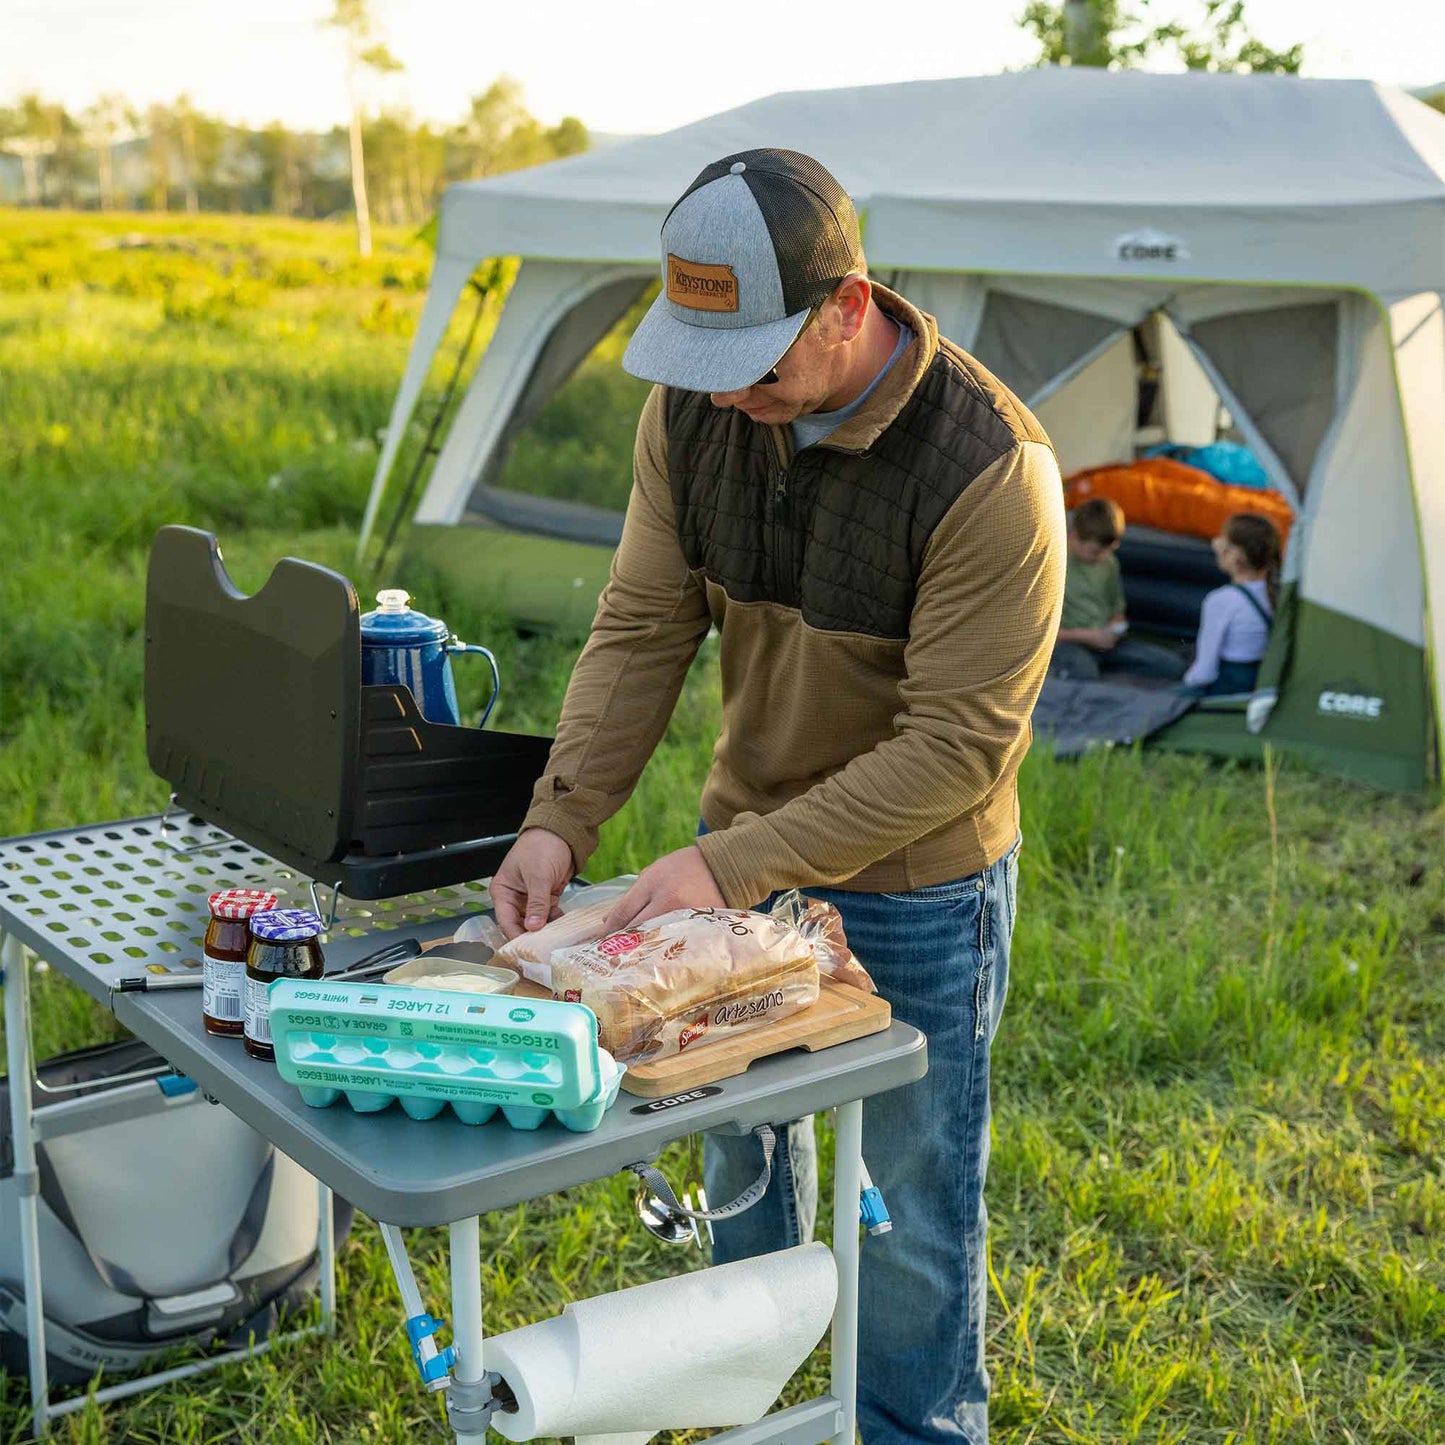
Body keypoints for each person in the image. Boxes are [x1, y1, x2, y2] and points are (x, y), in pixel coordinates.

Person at [489, 148, 1065, 1445]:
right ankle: (748, 1404)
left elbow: (957, 747)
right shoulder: (694, 411)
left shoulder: (988, 467)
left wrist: (729, 866)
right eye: (701, 355)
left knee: (906, 1202)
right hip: (743, 851)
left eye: (754, 358)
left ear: (849, 306)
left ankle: (914, 1429)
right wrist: (559, 814)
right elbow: (642, 621)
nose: (724, 392)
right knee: (742, 1151)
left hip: (919, 883)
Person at [1050, 497, 1186, 683]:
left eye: (1108, 550)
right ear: (1073, 536)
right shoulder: (1054, 566)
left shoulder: (1109, 563)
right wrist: (1088, 636)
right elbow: (1043, 632)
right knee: (1084, 675)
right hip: (1069, 643)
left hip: (1104, 643)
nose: (1102, 557)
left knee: (1172, 666)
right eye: (1095, 552)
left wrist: (1114, 629)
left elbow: (1117, 610)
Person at [1178, 512, 1281, 696]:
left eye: (1222, 540)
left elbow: (1204, 673)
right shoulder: (1274, 593)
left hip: (1225, 688)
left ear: (1236, 556)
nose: (1215, 544)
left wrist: (1183, 686)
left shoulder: (1222, 601)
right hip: (1255, 684)